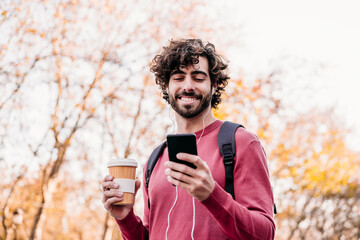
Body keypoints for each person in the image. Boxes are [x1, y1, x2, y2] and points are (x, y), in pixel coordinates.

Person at [102, 39, 275, 239]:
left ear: (214, 85)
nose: (188, 86)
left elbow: (264, 234)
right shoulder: (154, 160)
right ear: (166, 86)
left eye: (198, 78)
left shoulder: (241, 143)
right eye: (178, 77)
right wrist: (125, 219)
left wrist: (212, 195)